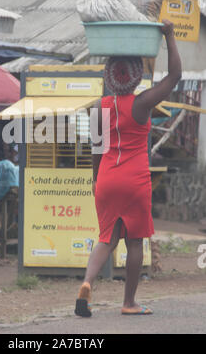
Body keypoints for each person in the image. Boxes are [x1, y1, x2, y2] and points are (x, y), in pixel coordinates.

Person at [75, 19, 181, 317]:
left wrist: (96, 181)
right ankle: (129, 302)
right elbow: (174, 76)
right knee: (135, 241)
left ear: (110, 77)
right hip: (134, 181)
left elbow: (96, 150)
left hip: (107, 179)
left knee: (107, 238)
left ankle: (86, 283)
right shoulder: (143, 104)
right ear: (135, 79)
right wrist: (170, 36)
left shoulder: (98, 107)